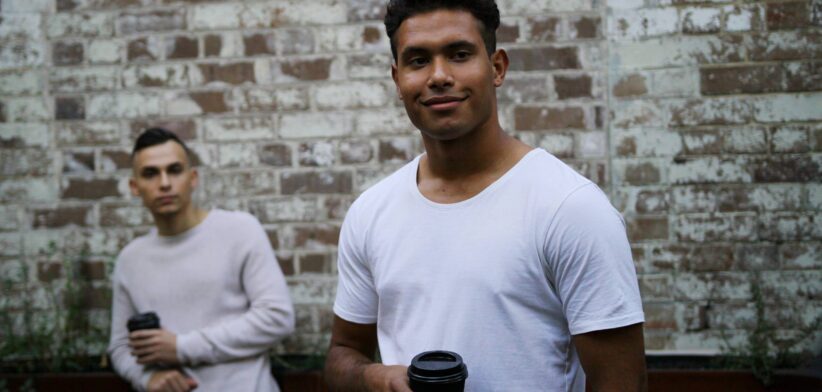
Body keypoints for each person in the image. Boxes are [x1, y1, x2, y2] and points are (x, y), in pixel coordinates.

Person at [324, 1, 647, 391]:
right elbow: (343, 354)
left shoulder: (570, 207)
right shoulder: (371, 212)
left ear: (497, 68)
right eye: (418, 60)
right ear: (397, 79)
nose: (439, 76)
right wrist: (376, 378)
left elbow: (621, 382)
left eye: (459, 55)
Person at [107, 128, 295, 392]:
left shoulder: (240, 230)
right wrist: (146, 378)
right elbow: (120, 347)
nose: (164, 183)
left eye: (174, 170)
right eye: (151, 173)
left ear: (192, 178)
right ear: (134, 187)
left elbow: (277, 318)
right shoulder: (131, 260)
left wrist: (182, 348)